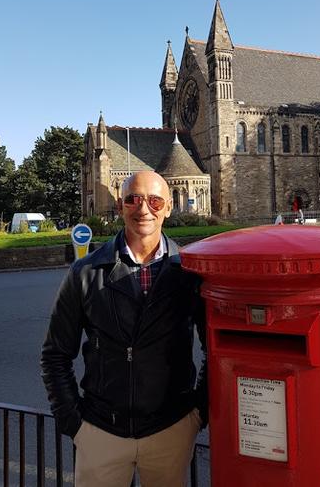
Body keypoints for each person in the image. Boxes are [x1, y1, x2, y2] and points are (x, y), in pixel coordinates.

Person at [41, 171, 207, 487]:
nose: (144, 208)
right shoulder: (86, 272)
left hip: (170, 429)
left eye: (155, 200)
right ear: (120, 206)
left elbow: (214, 348)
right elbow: (55, 355)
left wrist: (197, 414)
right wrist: (74, 423)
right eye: (133, 199)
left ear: (169, 207)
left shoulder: (189, 271)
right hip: (101, 431)